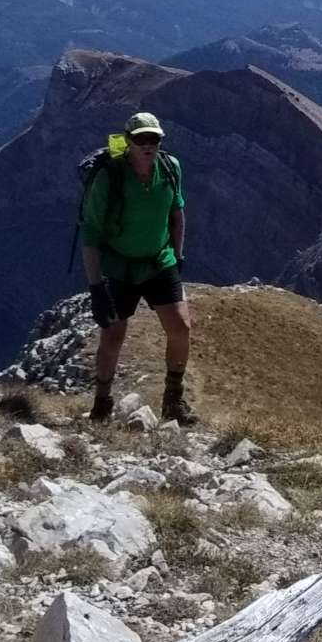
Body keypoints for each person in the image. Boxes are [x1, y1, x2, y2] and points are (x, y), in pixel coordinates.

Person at [80, 110, 195, 424]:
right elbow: (90, 232)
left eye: (153, 139)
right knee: (113, 335)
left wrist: (178, 255)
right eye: (140, 139)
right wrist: (96, 287)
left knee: (181, 328)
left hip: (159, 261)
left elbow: (177, 213)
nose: (147, 145)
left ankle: (173, 399)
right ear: (128, 141)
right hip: (120, 267)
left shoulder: (170, 168)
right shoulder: (109, 176)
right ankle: (102, 403)